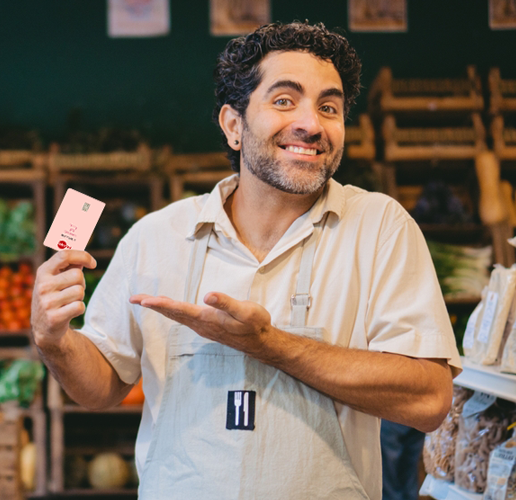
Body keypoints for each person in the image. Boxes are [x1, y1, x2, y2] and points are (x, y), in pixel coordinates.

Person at [31, 21, 461, 499]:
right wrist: (55, 340)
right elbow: (102, 387)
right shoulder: (157, 236)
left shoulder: (379, 227)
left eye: (329, 107)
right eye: (284, 100)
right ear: (233, 126)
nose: (312, 124)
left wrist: (269, 345)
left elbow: (429, 399)